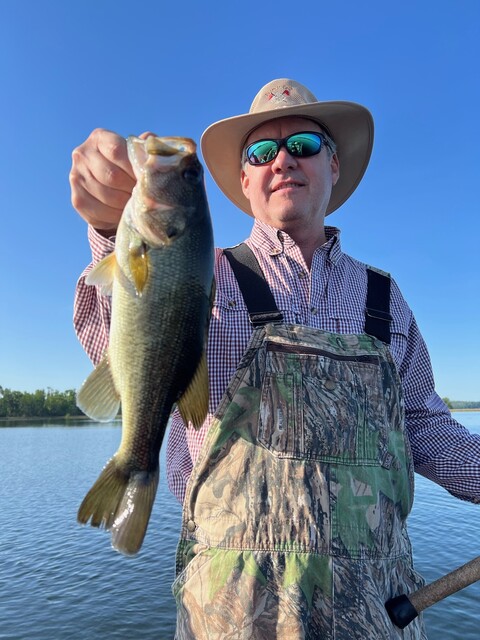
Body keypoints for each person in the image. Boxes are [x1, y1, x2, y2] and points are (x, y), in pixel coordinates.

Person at [70, 78, 480, 639]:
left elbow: (425, 429)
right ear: (245, 180)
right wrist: (107, 224)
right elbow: (117, 334)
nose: (282, 160)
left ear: (333, 166)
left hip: (379, 616)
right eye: (261, 152)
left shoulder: (386, 298)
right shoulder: (204, 275)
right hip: (231, 618)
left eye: (303, 145)